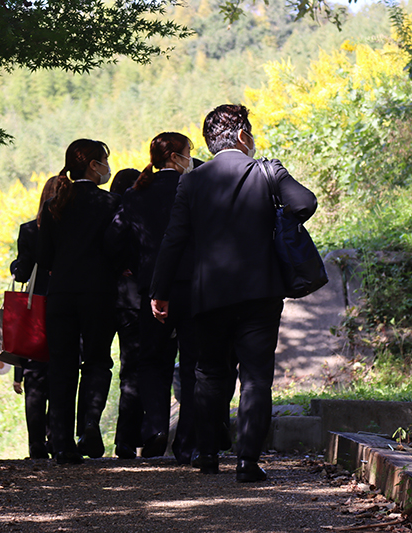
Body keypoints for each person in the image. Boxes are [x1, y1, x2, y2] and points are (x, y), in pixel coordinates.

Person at [150, 104, 317, 482]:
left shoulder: (190, 181)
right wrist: (277, 220)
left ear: (210, 143)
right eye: (251, 132)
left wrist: (159, 291)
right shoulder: (267, 171)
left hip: (209, 294)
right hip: (261, 292)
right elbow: (304, 202)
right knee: (256, 377)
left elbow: (173, 240)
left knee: (209, 374)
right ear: (243, 136)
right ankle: (247, 462)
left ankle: (207, 455)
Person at [107, 133, 204, 462]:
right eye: (190, 152)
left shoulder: (136, 194)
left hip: (153, 292)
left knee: (151, 362)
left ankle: (155, 428)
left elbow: (113, 239)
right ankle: (188, 443)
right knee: (193, 363)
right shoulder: (195, 187)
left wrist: (132, 266)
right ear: (177, 157)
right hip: (194, 288)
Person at [38, 139, 121, 464]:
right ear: (93, 166)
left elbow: (44, 257)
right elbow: (118, 248)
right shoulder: (111, 203)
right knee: (98, 361)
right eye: (104, 161)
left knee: (61, 367)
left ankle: (61, 443)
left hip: (60, 295)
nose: (107, 168)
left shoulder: (55, 205)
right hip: (99, 294)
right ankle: (89, 424)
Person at [10, 176, 61, 459]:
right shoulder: (71, 229)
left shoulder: (29, 230)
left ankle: (35, 444)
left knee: (35, 378)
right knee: (63, 374)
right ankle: (58, 438)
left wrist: (16, 264)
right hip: (66, 305)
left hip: (34, 311)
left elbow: (21, 272)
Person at [107, 168, 143, 459]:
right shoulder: (133, 211)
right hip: (132, 298)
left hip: (100, 298)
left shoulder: (103, 209)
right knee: (131, 369)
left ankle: (80, 431)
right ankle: (126, 439)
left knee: (93, 365)